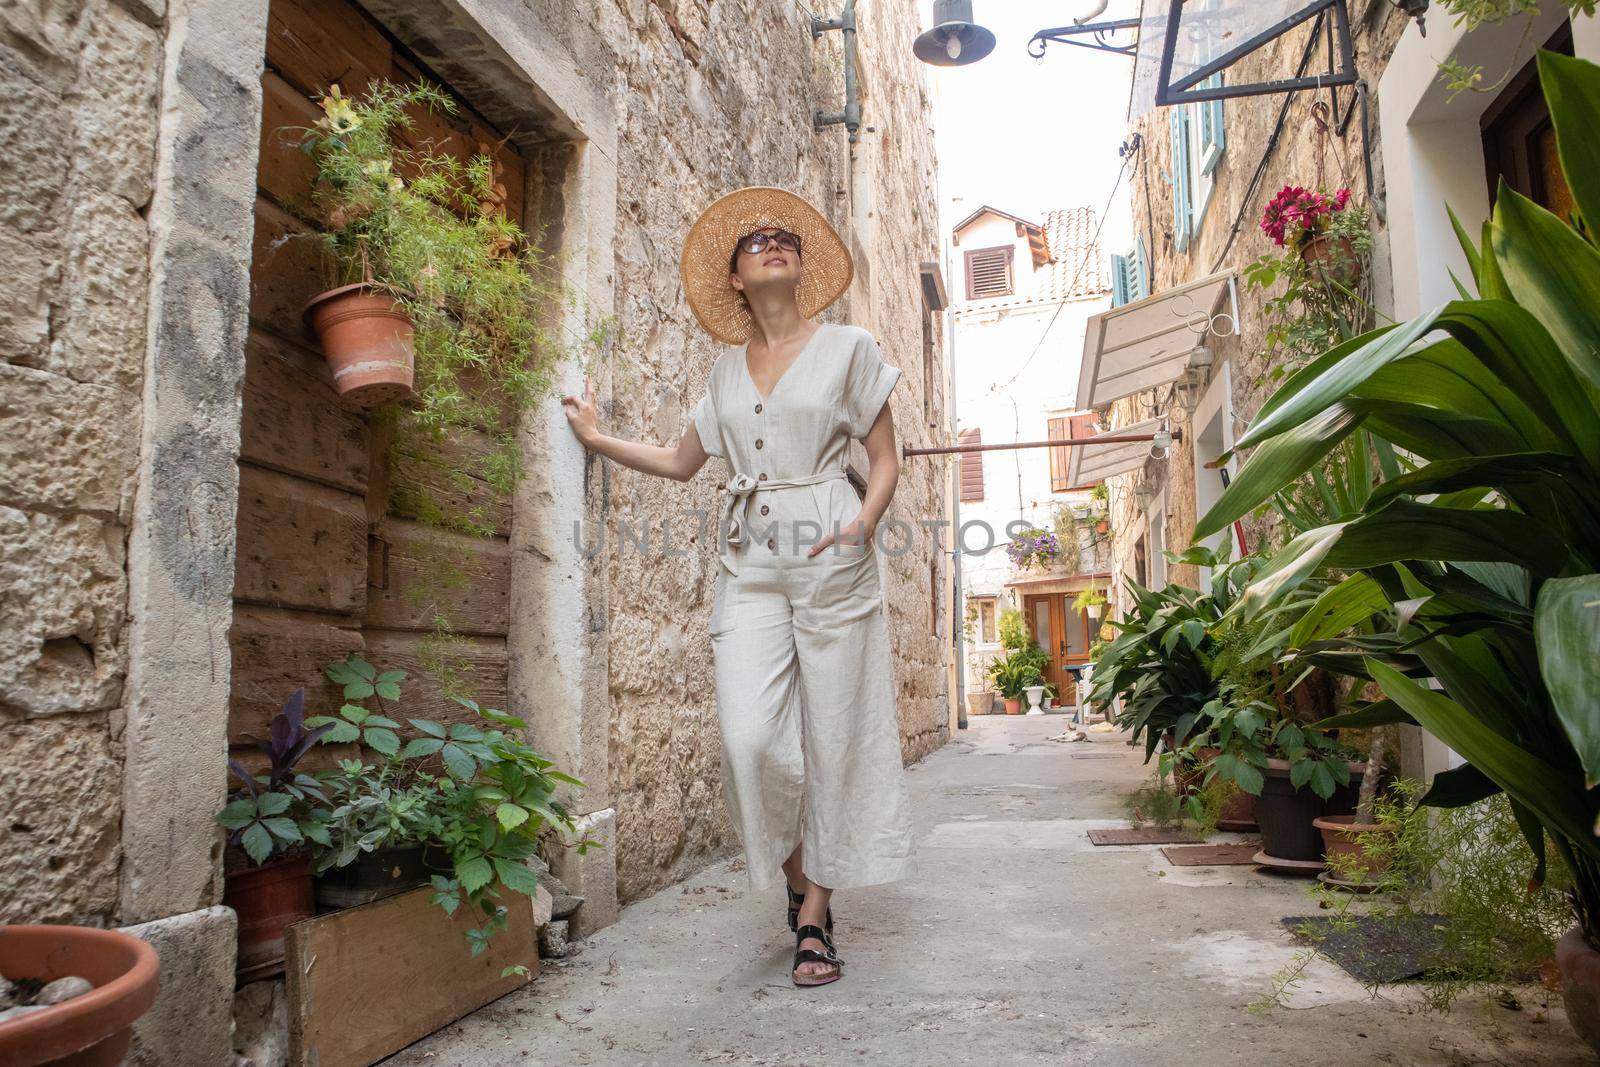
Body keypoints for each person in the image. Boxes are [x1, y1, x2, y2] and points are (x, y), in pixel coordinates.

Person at [561, 186, 917, 988]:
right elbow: (683, 460)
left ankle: (816, 919)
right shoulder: (724, 370)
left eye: (782, 235)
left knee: (835, 732)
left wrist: (863, 521)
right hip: (749, 560)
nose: (770, 243)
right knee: (749, 738)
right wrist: (597, 437)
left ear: (800, 263)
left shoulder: (852, 348)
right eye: (753, 241)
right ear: (733, 277)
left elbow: (889, 456)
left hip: (831, 542)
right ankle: (798, 881)